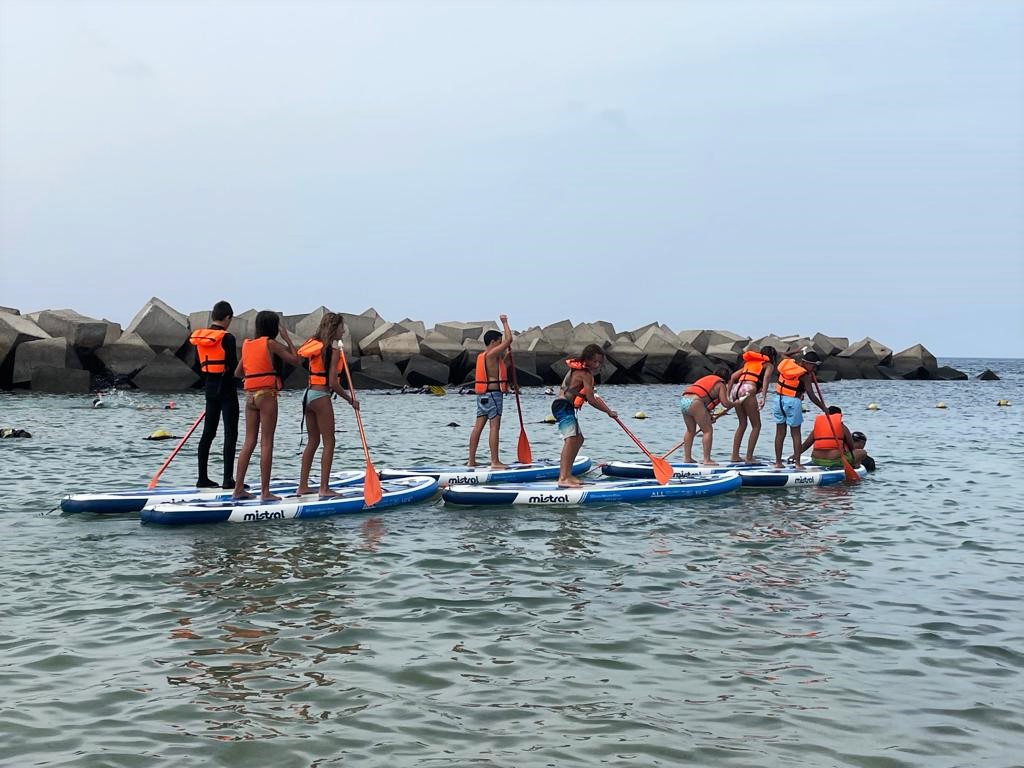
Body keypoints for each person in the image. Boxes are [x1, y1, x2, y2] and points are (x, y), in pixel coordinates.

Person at [232, 311, 302, 501]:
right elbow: (296, 360)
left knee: (249, 442)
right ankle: (265, 492)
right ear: (273, 327)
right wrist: (288, 339)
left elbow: (238, 373)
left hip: (250, 398)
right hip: (267, 396)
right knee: (267, 442)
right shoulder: (270, 343)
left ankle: (238, 489)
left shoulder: (247, 344)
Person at [295, 313, 359, 498]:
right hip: (321, 396)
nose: (344, 330)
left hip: (307, 396)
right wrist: (350, 400)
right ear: (334, 328)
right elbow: (332, 383)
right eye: (341, 327)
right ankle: (324, 488)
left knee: (313, 442)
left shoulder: (316, 344)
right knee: (329, 442)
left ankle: (303, 486)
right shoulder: (333, 350)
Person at [552, 344, 618, 487]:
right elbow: (591, 400)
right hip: (562, 406)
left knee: (579, 439)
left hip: (565, 407)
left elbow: (589, 396)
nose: (597, 365)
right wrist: (609, 412)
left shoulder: (581, 370)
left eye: (600, 362)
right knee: (571, 441)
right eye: (595, 361)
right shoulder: (585, 374)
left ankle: (568, 474)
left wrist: (608, 410)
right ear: (587, 359)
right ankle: (563, 478)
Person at [190, 301, 239, 489]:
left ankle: (202, 477)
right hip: (226, 390)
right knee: (230, 433)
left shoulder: (202, 338)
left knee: (208, 433)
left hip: (209, 389)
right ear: (227, 318)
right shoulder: (228, 338)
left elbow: (197, 365)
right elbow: (233, 366)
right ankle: (228, 479)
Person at [467, 315, 513, 468]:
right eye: (499, 343)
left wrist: (507, 358)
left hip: (483, 396)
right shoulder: (492, 354)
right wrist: (505, 322)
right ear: (493, 342)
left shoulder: (486, 356)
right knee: (494, 427)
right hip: (493, 396)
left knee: (478, 427)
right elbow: (509, 341)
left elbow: (499, 369)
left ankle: (471, 461)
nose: (501, 345)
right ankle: (495, 461)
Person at [772, 350, 827, 469]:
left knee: (780, 433)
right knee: (796, 434)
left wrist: (797, 351)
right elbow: (812, 396)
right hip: (793, 402)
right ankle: (797, 464)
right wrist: (824, 408)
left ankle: (778, 463)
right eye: (812, 366)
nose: (813, 369)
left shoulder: (787, 364)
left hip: (778, 400)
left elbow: (783, 354)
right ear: (805, 363)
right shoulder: (805, 376)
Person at [678, 366, 744, 465]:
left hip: (684, 401)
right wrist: (736, 403)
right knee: (708, 431)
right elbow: (725, 403)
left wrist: (708, 416)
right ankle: (707, 460)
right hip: (695, 402)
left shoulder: (707, 379)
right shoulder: (721, 384)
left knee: (690, 431)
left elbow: (705, 401)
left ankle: (687, 458)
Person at [728, 346, 778, 463]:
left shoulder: (749, 363)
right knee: (756, 425)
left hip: (737, 390)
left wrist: (728, 395)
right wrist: (763, 397)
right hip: (748, 389)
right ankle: (749, 457)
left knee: (742, 424)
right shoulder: (768, 365)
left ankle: (734, 456)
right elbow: (765, 380)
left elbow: (732, 377)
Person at [796, 406, 866, 468]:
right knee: (862, 453)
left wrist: (795, 455)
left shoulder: (818, 428)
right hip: (833, 461)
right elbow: (852, 447)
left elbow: (806, 445)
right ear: (839, 416)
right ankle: (854, 467)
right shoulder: (843, 428)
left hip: (816, 460)